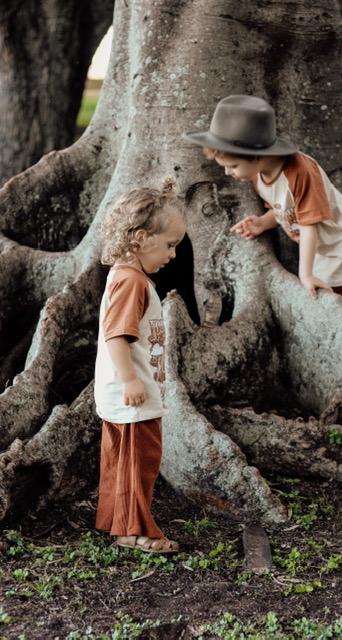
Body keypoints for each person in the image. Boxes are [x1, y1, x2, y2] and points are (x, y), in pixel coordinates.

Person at [184, 95, 342, 319]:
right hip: (321, 249)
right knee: (319, 302)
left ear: (257, 157)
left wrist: (305, 274)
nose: (228, 173)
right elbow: (282, 208)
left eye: (233, 166)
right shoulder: (258, 176)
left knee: (339, 311)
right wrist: (263, 223)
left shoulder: (300, 172)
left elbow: (309, 224)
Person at [94, 181, 186, 553]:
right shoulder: (131, 282)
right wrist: (131, 380)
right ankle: (136, 532)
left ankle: (119, 525)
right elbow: (117, 335)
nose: (173, 254)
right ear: (142, 238)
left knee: (122, 462)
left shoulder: (125, 276)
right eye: (170, 245)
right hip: (132, 396)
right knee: (138, 464)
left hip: (126, 394)